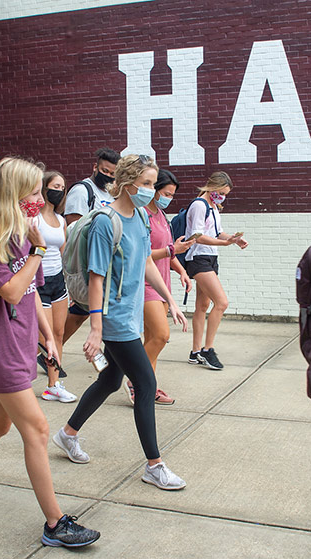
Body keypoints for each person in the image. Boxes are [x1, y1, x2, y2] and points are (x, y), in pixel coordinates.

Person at [0, 156, 100, 548]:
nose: (38, 198)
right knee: (39, 429)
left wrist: (48, 339)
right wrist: (35, 250)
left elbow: (31, 296)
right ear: (13, 193)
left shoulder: (24, 233)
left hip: (22, 342)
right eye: (31, 191)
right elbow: (10, 290)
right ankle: (55, 523)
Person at [53, 154, 188, 491]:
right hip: (112, 317)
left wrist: (169, 300)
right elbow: (97, 277)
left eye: (153, 184)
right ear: (126, 183)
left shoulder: (140, 217)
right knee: (144, 383)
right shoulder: (105, 221)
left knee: (111, 380)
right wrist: (96, 329)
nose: (151, 191)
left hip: (130, 312)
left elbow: (144, 262)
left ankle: (68, 434)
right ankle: (154, 465)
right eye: (145, 184)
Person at [125, 169, 193, 405]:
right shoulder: (141, 215)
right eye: (165, 193)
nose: (168, 198)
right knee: (162, 336)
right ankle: (135, 380)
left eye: (172, 195)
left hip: (163, 283)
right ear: (153, 189)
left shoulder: (162, 216)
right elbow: (142, 254)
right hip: (144, 284)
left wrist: (182, 271)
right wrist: (171, 251)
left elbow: (169, 252)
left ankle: (148, 386)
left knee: (152, 338)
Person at [184, 171, 247, 371]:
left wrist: (233, 239)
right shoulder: (198, 205)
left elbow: (217, 232)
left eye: (225, 194)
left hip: (211, 257)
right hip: (198, 257)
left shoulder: (213, 207)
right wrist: (224, 242)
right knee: (222, 302)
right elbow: (198, 236)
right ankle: (207, 349)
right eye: (221, 192)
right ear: (212, 187)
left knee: (203, 305)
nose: (222, 196)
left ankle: (195, 352)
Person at [60, 148, 120, 352]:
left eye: (113, 173)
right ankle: (51, 348)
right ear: (95, 167)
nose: (109, 176)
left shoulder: (110, 193)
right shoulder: (82, 190)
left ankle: (52, 348)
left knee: (84, 311)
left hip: (105, 257)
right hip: (88, 259)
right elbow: (74, 229)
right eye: (105, 171)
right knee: (84, 308)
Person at [34, 170, 74, 403]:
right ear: (44, 187)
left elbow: (63, 252)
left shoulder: (61, 220)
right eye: (54, 186)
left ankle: (53, 385)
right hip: (38, 282)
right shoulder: (33, 218)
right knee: (42, 337)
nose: (58, 191)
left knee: (57, 334)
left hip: (57, 281)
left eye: (62, 187)